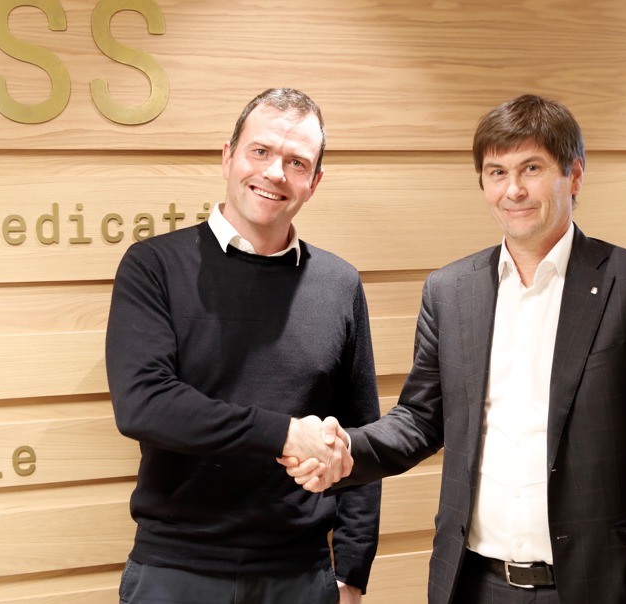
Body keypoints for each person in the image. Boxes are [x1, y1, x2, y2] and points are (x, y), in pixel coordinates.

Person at [284, 94, 626, 604]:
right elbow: (420, 419)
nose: (513, 190)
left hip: (595, 587)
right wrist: (347, 451)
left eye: (532, 168)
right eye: (496, 172)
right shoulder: (450, 291)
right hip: (474, 585)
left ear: (574, 175)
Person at [106, 87, 381, 604]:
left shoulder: (339, 284)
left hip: (300, 575)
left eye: (296, 162)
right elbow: (144, 404)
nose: (275, 172)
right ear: (228, 157)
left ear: (314, 182)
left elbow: (359, 435)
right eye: (261, 151)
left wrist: (351, 571)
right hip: (175, 571)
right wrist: (284, 435)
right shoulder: (154, 266)